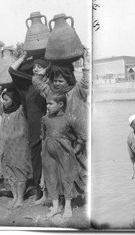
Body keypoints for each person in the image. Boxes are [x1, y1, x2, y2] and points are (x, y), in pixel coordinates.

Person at [32, 50, 90, 190]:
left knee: (81, 165)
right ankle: (63, 197)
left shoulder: (76, 91)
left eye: (60, 81)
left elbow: (87, 79)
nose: (57, 84)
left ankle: (83, 195)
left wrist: (85, 60)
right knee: (58, 168)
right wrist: (49, 67)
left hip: (76, 137)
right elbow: (36, 81)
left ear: (68, 80)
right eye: (55, 81)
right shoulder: (50, 93)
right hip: (58, 137)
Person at [9, 52, 49, 200]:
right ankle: (39, 192)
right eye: (34, 67)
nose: (36, 69)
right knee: (36, 161)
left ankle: (53, 195)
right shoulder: (28, 85)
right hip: (34, 129)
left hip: (50, 129)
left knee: (50, 160)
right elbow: (12, 71)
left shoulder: (50, 86)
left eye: (40, 67)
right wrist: (25, 56)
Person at [40, 92, 86, 218]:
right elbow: (43, 134)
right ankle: (55, 207)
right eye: (47, 104)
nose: (47, 106)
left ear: (60, 104)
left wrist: (75, 149)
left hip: (65, 153)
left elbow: (81, 136)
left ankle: (67, 206)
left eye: (50, 103)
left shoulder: (69, 118)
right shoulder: (45, 118)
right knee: (51, 177)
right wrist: (44, 150)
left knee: (67, 178)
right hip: (48, 154)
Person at [0, 89, 32, 208]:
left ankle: (20, 198)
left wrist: (16, 85)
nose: (3, 102)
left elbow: (25, 99)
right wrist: (1, 88)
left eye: (6, 99)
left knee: (20, 172)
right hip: (6, 149)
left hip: (19, 148)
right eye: (3, 99)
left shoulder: (21, 111)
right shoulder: (4, 112)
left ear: (14, 100)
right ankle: (14, 197)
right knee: (9, 173)